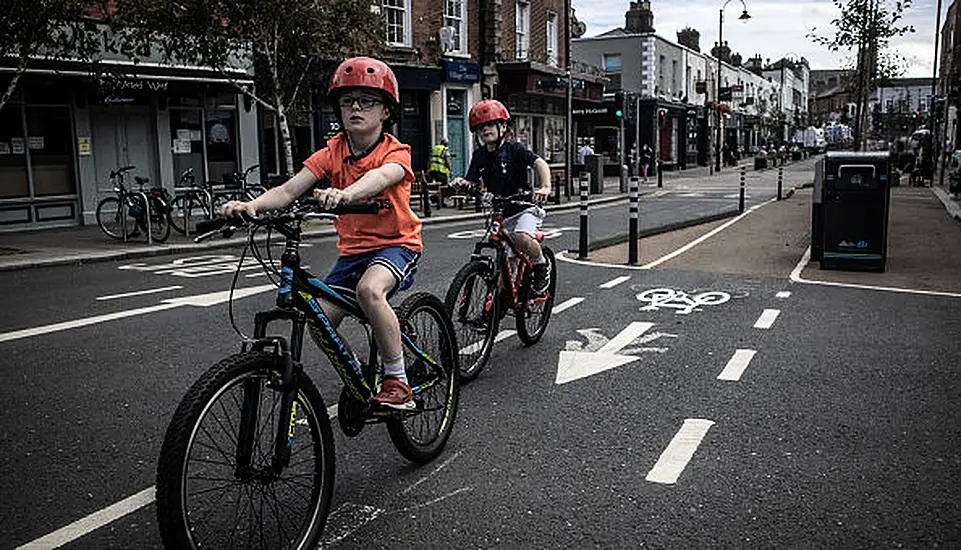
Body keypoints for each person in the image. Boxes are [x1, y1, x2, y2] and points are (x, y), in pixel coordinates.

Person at [221, 57, 422, 410]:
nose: (356, 108)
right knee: (319, 318)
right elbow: (289, 190)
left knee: (369, 291)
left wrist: (347, 194)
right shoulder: (333, 151)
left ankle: (397, 381)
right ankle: (358, 372)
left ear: (386, 111)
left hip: (396, 245)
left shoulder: (396, 151)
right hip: (352, 253)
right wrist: (251, 206)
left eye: (367, 101)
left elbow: (382, 177)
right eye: (347, 101)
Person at [451, 99, 553, 295]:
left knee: (521, 237)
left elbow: (539, 163)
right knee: (504, 262)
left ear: (503, 126)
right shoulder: (479, 155)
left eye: (489, 124)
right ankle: (497, 306)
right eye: (480, 127)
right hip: (501, 211)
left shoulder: (514, 149)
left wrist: (545, 187)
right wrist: (461, 184)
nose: (485, 130)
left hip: (524, 207)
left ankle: (541, 266)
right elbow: (471, 180)